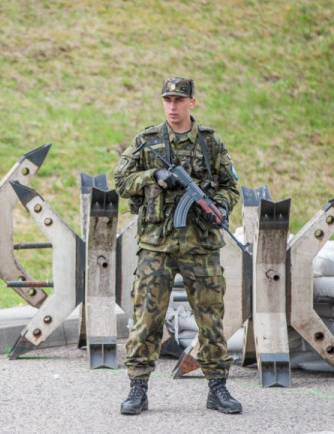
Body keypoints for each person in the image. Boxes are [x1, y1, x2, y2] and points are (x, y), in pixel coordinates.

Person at [113, 77, 242, 415]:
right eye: (168, 100)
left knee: (210, 318)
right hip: (156, 245)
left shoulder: (210, 144)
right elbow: (121, 181)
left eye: (179, 100)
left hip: (201, 245)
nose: (173, 106)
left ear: (191, 103)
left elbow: (231, 187)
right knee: (146, 318)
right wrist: (153, 176)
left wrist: (221, 208)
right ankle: (137, 389)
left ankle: (217, 388)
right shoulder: (148, 140)